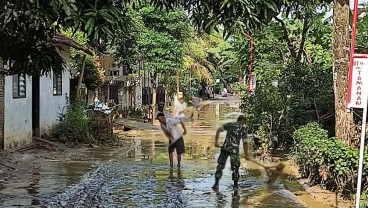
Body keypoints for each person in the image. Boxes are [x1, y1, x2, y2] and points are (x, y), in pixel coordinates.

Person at [212, 115, 250, 191]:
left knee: (220, 166)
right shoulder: (243, 128)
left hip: (225, 147)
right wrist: (246, 155)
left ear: (237, 120)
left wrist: (216, 142)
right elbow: (245, 143)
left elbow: (218, 130)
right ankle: (235, 186)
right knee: (235, 168)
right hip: (234, 150)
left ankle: (216, 184)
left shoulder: (229, 124)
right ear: (243, 121)